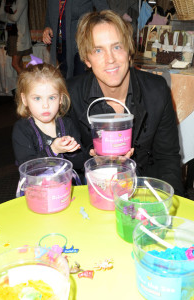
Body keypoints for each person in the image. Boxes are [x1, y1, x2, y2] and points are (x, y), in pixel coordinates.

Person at [66, 10, 184, 196]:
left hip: (145, 189)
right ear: (87, 60)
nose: (110, 59)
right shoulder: (71, 95)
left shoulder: (156, 91)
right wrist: (91, 156)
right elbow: (62, 159)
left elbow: (167, 158)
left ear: (129, 50)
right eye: (98, 50)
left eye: (117, 47)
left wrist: (169, 206)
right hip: (95, 191)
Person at [12, 63, 88, 183]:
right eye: (37, 98)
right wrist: (53, 150)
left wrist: (71, 151)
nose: (45, 105)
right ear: (25, 99)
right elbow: (27, 168)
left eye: (52, 97)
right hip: (38, 193)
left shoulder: (67, 124)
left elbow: (80, 164)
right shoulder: (22, 129)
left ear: (61, 99)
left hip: (67, 190)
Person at [42, 0, 109, 79]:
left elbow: (106, 13)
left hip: (81, 44)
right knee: (65, 79)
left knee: (80, 80)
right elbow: (49, 17)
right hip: (61, 44)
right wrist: (47, 28)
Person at [0, 0, 32, 74]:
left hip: (20, 36)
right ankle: (23, 84)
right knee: (19, 64)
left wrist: (6, 16)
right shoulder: (8, 1)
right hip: (11, 36)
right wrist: (3, 2)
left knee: (15, 64)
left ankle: (27, 82)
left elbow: (15, 18)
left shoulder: (21, 0)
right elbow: (0, 16)